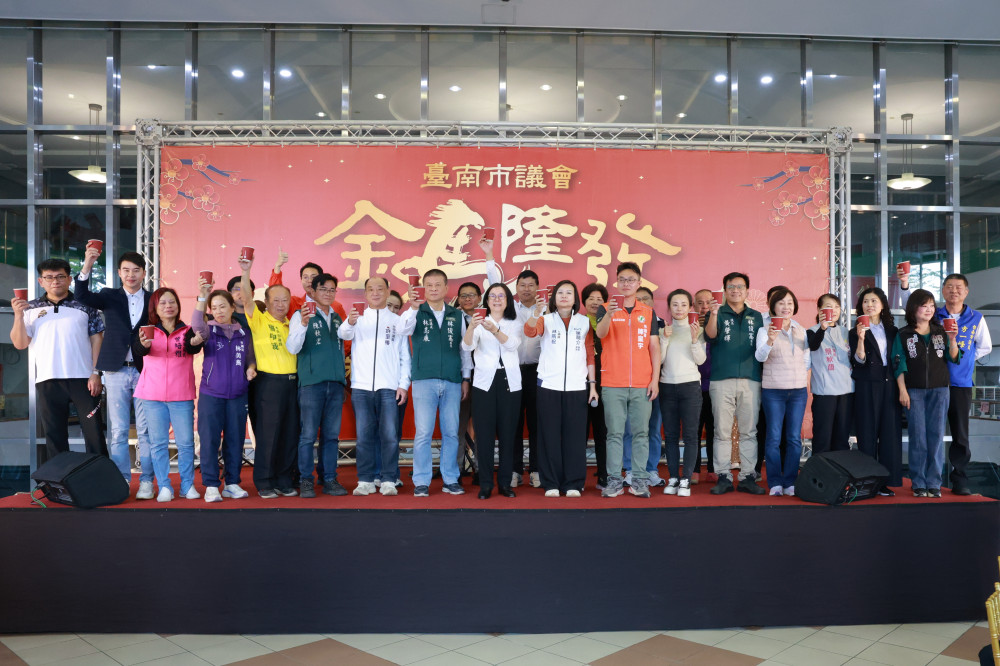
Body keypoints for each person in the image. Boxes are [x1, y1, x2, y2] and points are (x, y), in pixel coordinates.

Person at [74, 248, 154, 495]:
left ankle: (147, 481)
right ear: (119, 273)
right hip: (116, 370)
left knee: (146, 430)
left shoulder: (154, 299)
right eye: (126, 270)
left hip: (146, 369)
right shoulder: (109, 295)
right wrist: (87, 264)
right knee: (118, 430)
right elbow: (81, 295)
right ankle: (122, 481)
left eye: (136, 270)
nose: (131, 275)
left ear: (144, 273)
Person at [10, 258, 107, 460]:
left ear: (69, 279)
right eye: (49, 277)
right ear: (41, 281)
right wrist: (18, 315)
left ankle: (99, 479)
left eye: (60, 276)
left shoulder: (85, 305)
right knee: (55, 438)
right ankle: (61, 480)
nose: (55, 281)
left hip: (84, 380)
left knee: (95, 435)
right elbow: (20, 343)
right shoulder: (30, 308)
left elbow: (97, 339)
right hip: (48, 380)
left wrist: (96, 372)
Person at [338, 277, 413, 496]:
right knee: (364, 436)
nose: (376, 293)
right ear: (365, 293)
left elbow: (405, 356)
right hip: (361, 387)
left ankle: (388, 479)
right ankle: (365, 480)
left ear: (388, 291)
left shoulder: (397, 320)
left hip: (389, 386)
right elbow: (343, 334)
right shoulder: (357, 317)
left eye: (380, 289)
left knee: (389, 435)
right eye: (371, 289)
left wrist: (403, 385)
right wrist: (350, 321)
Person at [400, 269, 471, 497]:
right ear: (423, 288)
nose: (433, 289)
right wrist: (413, 307)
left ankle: (450, 479)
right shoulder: (415, 311)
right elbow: (403, 329)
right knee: (423, 433)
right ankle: (421, 480)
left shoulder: (457, 315)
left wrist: (466, 378)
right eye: (428, 285)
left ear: (446, 288)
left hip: (452, 380)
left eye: (437, 284)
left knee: (451, 433)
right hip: (424, 380)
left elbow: (464, 350)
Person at [524, 280, 597, 497]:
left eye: (569, 293)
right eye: (560, 292)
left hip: (577, 386)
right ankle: (551, 483)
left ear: (575, 299)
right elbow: (530, 332)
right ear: (553, 298)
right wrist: (536, 313)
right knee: (549, 436)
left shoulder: (584, 322)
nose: (564, 296)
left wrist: (592, 385)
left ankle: (573, 482)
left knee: (575, 437)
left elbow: (590, 355)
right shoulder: (545, 319)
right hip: (549, 386)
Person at [595, 262, 661, 498]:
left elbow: (654, 347)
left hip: (643, 383)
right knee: (614, 433)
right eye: (622, 279)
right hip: (613, 383)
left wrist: (655, 380)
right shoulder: (605, 308)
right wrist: (609, 314)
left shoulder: (648, 312)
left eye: (631, 279)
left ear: (639, 283)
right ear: (616, 282)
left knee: (641, 433)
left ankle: (639, 480)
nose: (626, 283)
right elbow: (600, 334)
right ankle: (614, 480)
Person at [134, 287, 204, 502]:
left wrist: (196, 343)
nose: (168, 306)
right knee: (158, 443)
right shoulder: (147, 331)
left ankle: (187, 485)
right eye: (163, 303)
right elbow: (139, 352)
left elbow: (193, 348)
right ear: (155, 307)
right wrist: (142, 345)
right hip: (151, 395)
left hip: (181, 395)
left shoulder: (188, 331)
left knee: (186, 443)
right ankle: (164, 486)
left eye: (172, 301)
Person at [240, 254, 300, 499]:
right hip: (267, 384)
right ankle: (264, 481)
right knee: (267, 435)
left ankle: (284, 480)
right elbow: (245, 297)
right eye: (276, 300)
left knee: (289, 434)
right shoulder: (259, 320)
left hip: (293, 384)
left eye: (285, 300)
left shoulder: (293, 324)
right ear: (266, 302)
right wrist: (246, 271)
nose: (281, 304)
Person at [893, 289, 961, 498]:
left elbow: (953, 358)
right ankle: (918, 482)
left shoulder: (941, 331)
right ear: (914, 308)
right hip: (914, 391)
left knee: (936, 436)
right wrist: (902, 391)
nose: (929, 309)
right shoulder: (903, 334)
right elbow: (898, 363)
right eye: (924, 306)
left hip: (940, 390)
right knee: (918, 437)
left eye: (932, 306)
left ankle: (934, 483)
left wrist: (952, 339)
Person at [286, 273, 349, 498]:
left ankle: (329, 478)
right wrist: (304, 324)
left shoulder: (337, 318)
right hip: (311, 385)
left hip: (336, 384)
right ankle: (305, 479)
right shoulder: (300, 314)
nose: (328, 293)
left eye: (332, 290)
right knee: (308, 435)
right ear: (312, 291)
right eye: (323, 289)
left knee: (331, 436)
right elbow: (292, 348)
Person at [191, 283, 255, 502]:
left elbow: (250, 357)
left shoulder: (243, 332)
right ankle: (211, 485)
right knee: (209, 440)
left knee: (235, 440)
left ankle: (232, 483)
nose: (218, 311)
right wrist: (202, 296)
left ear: (232, 307)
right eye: (214, 307)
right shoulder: (208, 330)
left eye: (223, 306)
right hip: (211, 394)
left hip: (238, 394)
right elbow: (196, 323)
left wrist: (251, 368)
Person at [484, 245, 541, 488]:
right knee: (513, 423)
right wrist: (489, 255)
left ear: (537, 288)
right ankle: (515, 470)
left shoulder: (546, 309)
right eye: (522, 285)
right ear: (515, 289)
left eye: (531, 285)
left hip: (538, 372)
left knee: (538, 423)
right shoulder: (511, 308)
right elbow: (493, 282)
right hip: (513, 372)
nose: (526, 289)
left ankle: (536, 469)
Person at [704, 272, 766, 495]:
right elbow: (710, 336)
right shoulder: (716, 313)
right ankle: (724, 476)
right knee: (721, 431)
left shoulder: (757, 317)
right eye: (731, 286)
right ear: (724, 290)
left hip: (751, 380)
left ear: (747, 290)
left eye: (740, 286)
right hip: (721, 380)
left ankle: (748, 476)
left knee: (749, 431)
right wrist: (713, 314)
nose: (735, 290)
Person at [462, 283, 522, 499]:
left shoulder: (515, 322)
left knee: (507, 434)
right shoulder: (478, 322)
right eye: (493, 296)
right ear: (486, 301)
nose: (497, 299)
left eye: (501, 296)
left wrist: (495, 330)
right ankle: (486, 484)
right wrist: (471, 327)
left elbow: (512, 345)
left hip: (510, 384)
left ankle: (505, 483)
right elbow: (467, 347)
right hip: (484, 384)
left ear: (507, 301)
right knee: (485, 435)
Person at [936, 274, 992, 495]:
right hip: (935, 382)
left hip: (961, 383)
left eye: (959, 287)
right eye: (949, 286)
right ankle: (930, 478)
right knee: (932, 431)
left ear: (966, 292)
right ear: (943, 290)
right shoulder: (934, 315)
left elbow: (985, 346)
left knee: (960, 434)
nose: (954, 291)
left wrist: (966, 359)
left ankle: (959, 480)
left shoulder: (976, 318)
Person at [755, 287, 810, 496]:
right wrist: (771, 339)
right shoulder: (764, 330)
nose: (786, 307)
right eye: (781, 303)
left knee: (794, 439)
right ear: (773, 307)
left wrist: (797, 375)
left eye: (789, 303)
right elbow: (760, 357)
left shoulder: (801, 329)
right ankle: (775, 482)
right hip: (773, 391)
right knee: (773, 438)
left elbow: (807, 359)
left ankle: (790, 482)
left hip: (798, 391)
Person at [849, 286, 902, 495]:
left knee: (890, 434)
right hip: (867, 385)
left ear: (882, 305)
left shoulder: (893, 331)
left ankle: (885, 482)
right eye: (865, 301)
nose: (869, 305)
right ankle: (867, 481)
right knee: (867, 433)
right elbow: (858, 361)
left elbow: (897, 359)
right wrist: (861, 339)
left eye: (873, 301)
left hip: (889, 384)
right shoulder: (854, 332)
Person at [658, 289, 706, 497]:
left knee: (690, 435)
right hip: (667, 386)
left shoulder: (698, 330)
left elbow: (701, 360)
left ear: (690, 307)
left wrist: (694, 340)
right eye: (675, 304)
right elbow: (659, 360)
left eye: (684, 304)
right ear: (669, 307)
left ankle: (686, 478)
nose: (679, 309)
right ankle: (673, 478)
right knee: (670, 435)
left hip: (690, 387)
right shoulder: (663, 330)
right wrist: (664, 339)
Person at [622, 286, 666, 487]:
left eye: (645, 298)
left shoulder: (663, 325)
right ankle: (630, 470)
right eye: (637, 298)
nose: (641, 302)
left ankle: (651, 470)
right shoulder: (625, 322)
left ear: (653, 302)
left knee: (653, 429)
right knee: (631, 430)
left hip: (655, 383)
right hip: (632, 383)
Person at [807, 293, 853, 455]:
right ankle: (821, 471)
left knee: (842, 438)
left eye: (836, 307)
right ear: (819, 309)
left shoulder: (845, 332)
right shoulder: (812, 332)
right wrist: (823, 327)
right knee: (823, 438)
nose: (833, 310)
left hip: (846, 391)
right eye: (828, 306)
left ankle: (840, 470)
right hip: (824, 392)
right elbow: (813, 345)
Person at [453, 280, 483, 478]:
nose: (467, 299)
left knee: (482, 425)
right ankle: (455, 469)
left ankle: (480, 469)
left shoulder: (487, 318)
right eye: (463, 295)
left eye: (471, 295)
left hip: (483, 378)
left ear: (479, 298)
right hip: (458, 378)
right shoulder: (452, 318)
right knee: (458, 426)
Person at [268, 248, 347, 319]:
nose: (309, 281)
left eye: (313, 277)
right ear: (301, 280)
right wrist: (277, 267)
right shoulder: (293, 303)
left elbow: (345, 329)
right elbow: (276, 293)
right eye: (305, 277)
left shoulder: (336, 307)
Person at [582, 283, 609, 490]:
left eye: (599, 299)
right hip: (579, 382)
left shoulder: (610, 322)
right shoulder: (578, 323)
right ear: (583, 301)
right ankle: (577, 477)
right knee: (578, 432)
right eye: (591, 298)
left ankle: (604, 475)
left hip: (606, 382)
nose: (595, 302)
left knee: (603, 431)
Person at [693, 289, 717, 483]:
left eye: (708, 302)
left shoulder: (719, 326)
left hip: (716, 386)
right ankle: (693, 469)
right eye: (700, 303)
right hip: (693, 386)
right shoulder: (688, 326)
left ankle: (713, 468)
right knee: (694, 430)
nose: (704, 307)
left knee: (714, 430)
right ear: (694, 306)